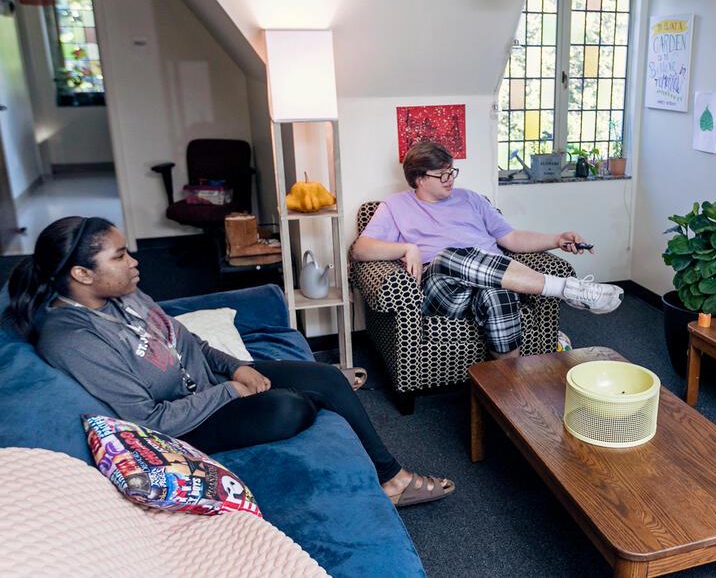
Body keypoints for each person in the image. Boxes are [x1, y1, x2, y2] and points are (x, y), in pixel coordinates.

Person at [6, 216, 453, 508]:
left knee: (323, 379)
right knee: (291, 405)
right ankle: (311, 399)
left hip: (211, 386)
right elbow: (147, 419)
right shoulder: (73, 340)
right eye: (120, 256)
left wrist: (236, 367)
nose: (135, 261)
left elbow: (190, 340)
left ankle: (392, 480)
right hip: (186, 424)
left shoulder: (124, 294)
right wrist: (231, 391)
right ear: (81, 274)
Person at [351, 141, 624, 359]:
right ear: (419, 179)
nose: (450, 179)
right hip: (444, 289)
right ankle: (567, 289)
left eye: (451, 171)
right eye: (442, 174)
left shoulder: (471, 199)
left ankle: (511, 387)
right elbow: (360, 250)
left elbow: (512, 239)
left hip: (491, 278)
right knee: (450, 255)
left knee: (498, 297)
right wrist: (406, 247)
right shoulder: (395, 206)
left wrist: (556, 239)